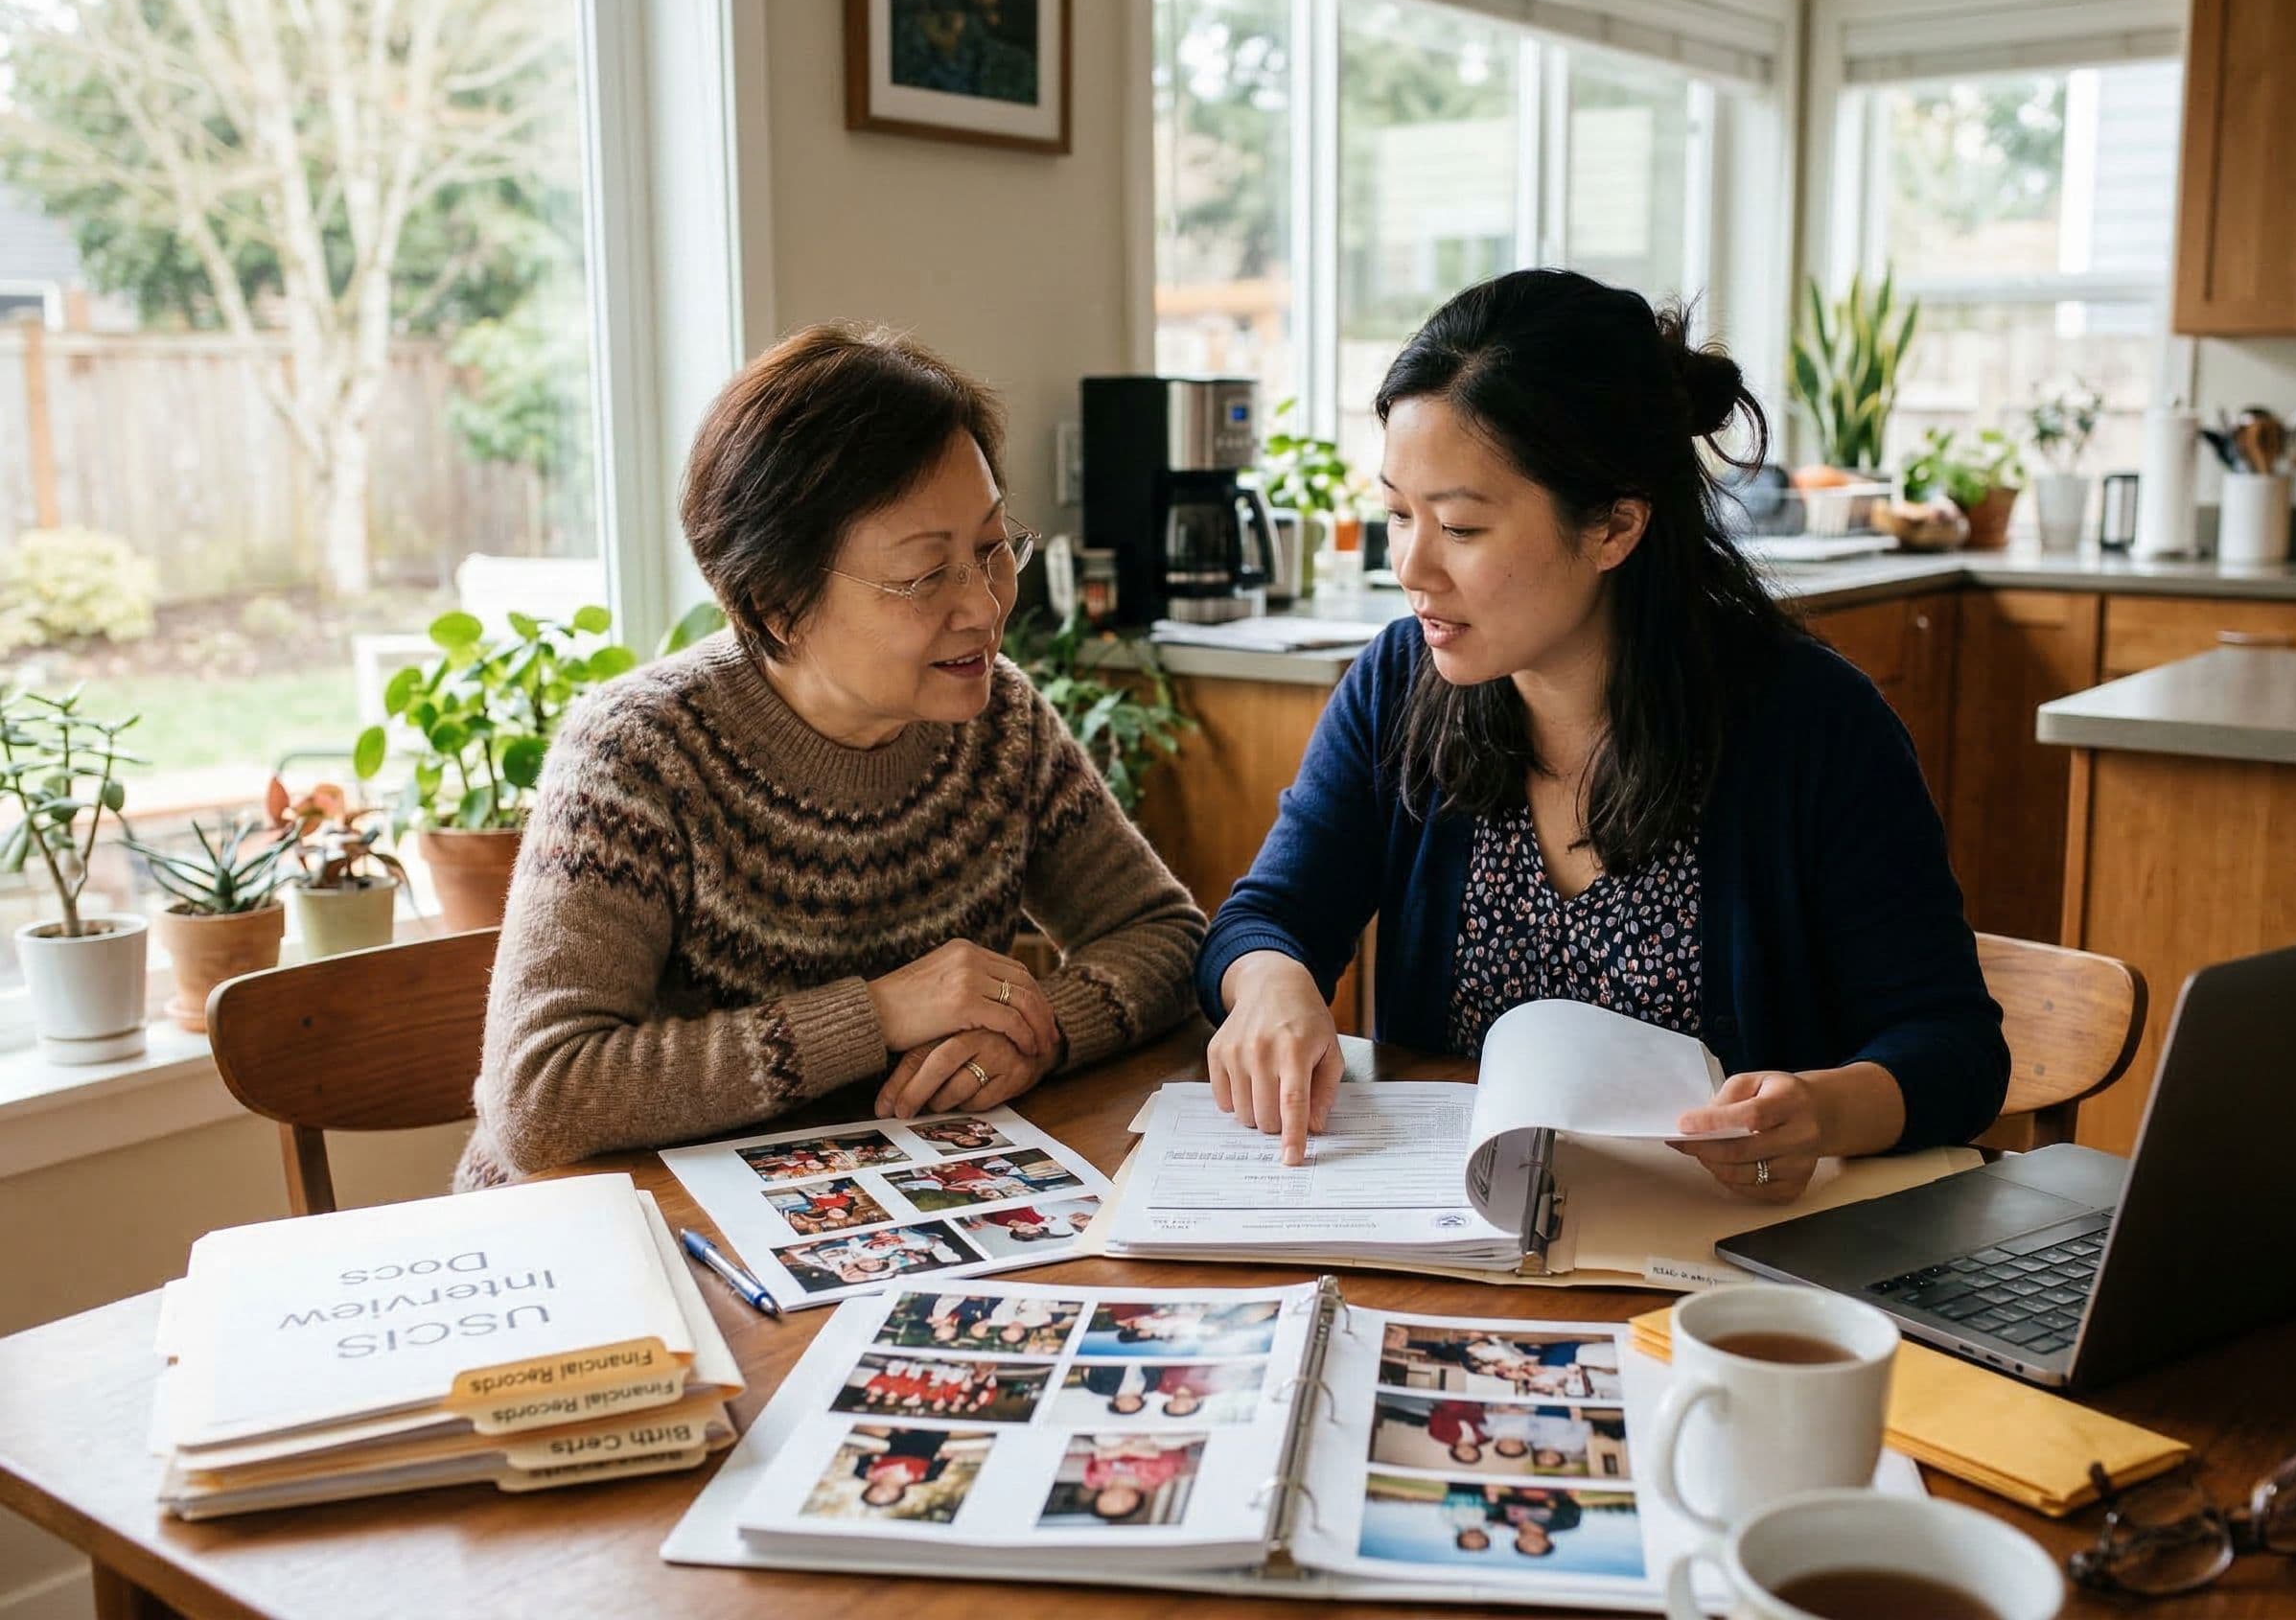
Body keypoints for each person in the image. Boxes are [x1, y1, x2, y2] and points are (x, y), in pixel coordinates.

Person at [1195, 269, 2008, 1200]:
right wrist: (1269, 985)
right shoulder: (1398, 680)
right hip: (1460, 1233)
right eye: (1395, 514)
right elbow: (1266, 917)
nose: (1411, 567)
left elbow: (1952, 1049)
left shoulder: (1810, 726)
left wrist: (1819, 1109)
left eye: (1459, 525)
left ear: (1615, 525)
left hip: (1717, 1257)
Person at [456, 324, 1205, 1187]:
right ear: (777, 601)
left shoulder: (1000, 723)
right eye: (925, 576)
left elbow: (1164, 936)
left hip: (871, 1204)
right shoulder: (636, 759)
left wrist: (1031, 1032)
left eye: (993, 548)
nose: (983, 606)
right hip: (628, 1248)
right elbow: (541, 1098)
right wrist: (879, 1014)